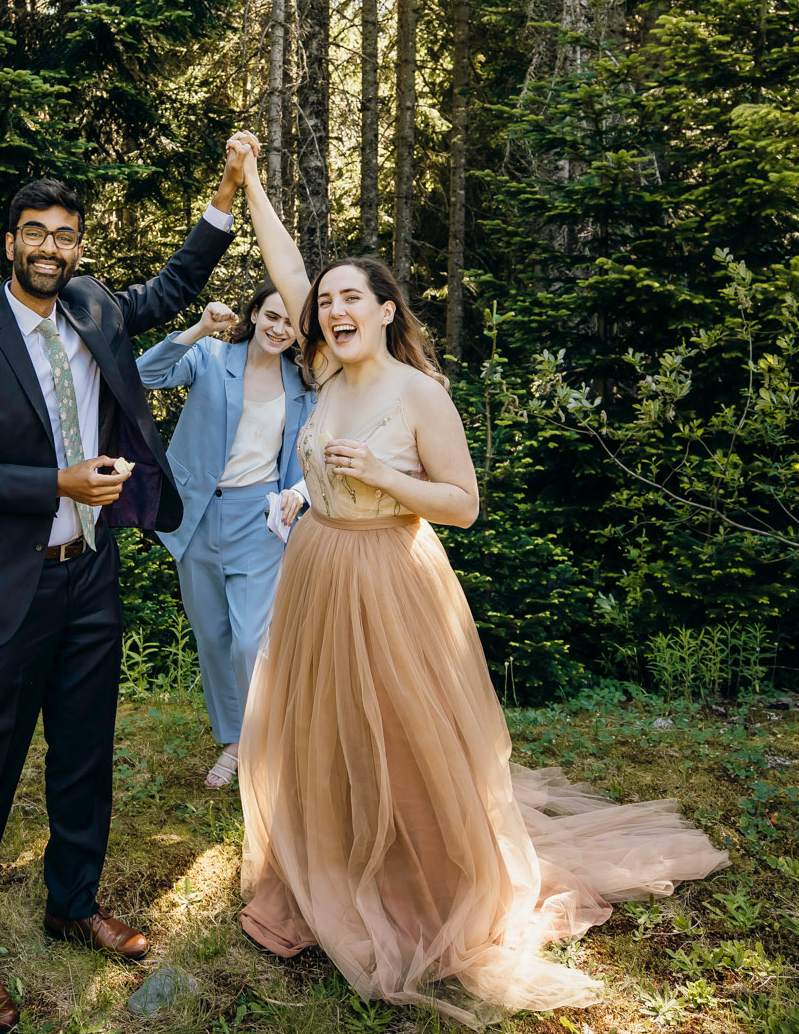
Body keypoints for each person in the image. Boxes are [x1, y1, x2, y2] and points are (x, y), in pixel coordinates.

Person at [237, 257, 730, 1027]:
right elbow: (290, 270)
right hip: (317, 569)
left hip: (388, 577)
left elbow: (463, 504)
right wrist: (249, 179)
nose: (332, 309)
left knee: (403, 734)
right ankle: (331, 864)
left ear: (388, 310)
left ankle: (420, 881)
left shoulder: (419, 393)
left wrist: (381, 474)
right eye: (325, 301)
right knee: (325, 728)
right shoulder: (327, 369)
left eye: (351, 298)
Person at [0, 143, 250, 1031]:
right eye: (36, 233)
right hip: (4, 588)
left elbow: (171, 289)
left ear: (77, 245)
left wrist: (222, 198)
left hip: (93, 574)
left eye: (65, 235)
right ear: (9, 243)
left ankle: (74, 903)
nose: (51, 248)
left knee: (86, 756)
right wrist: (54, 483)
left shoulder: (96, 307)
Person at [136, 132, 314, 789]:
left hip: (259, 518)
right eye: (270, 315)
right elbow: (143, 375)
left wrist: (299, 494)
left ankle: (269, 744)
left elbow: (311, 454)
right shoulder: (214, 357)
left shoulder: (306, 386)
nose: (278, 327)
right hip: (193, 516)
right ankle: (233, 742)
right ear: (254, 315)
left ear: (298, 332)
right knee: (213, 637)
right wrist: (193, 329)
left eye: (288, 322)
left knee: (250, 639)